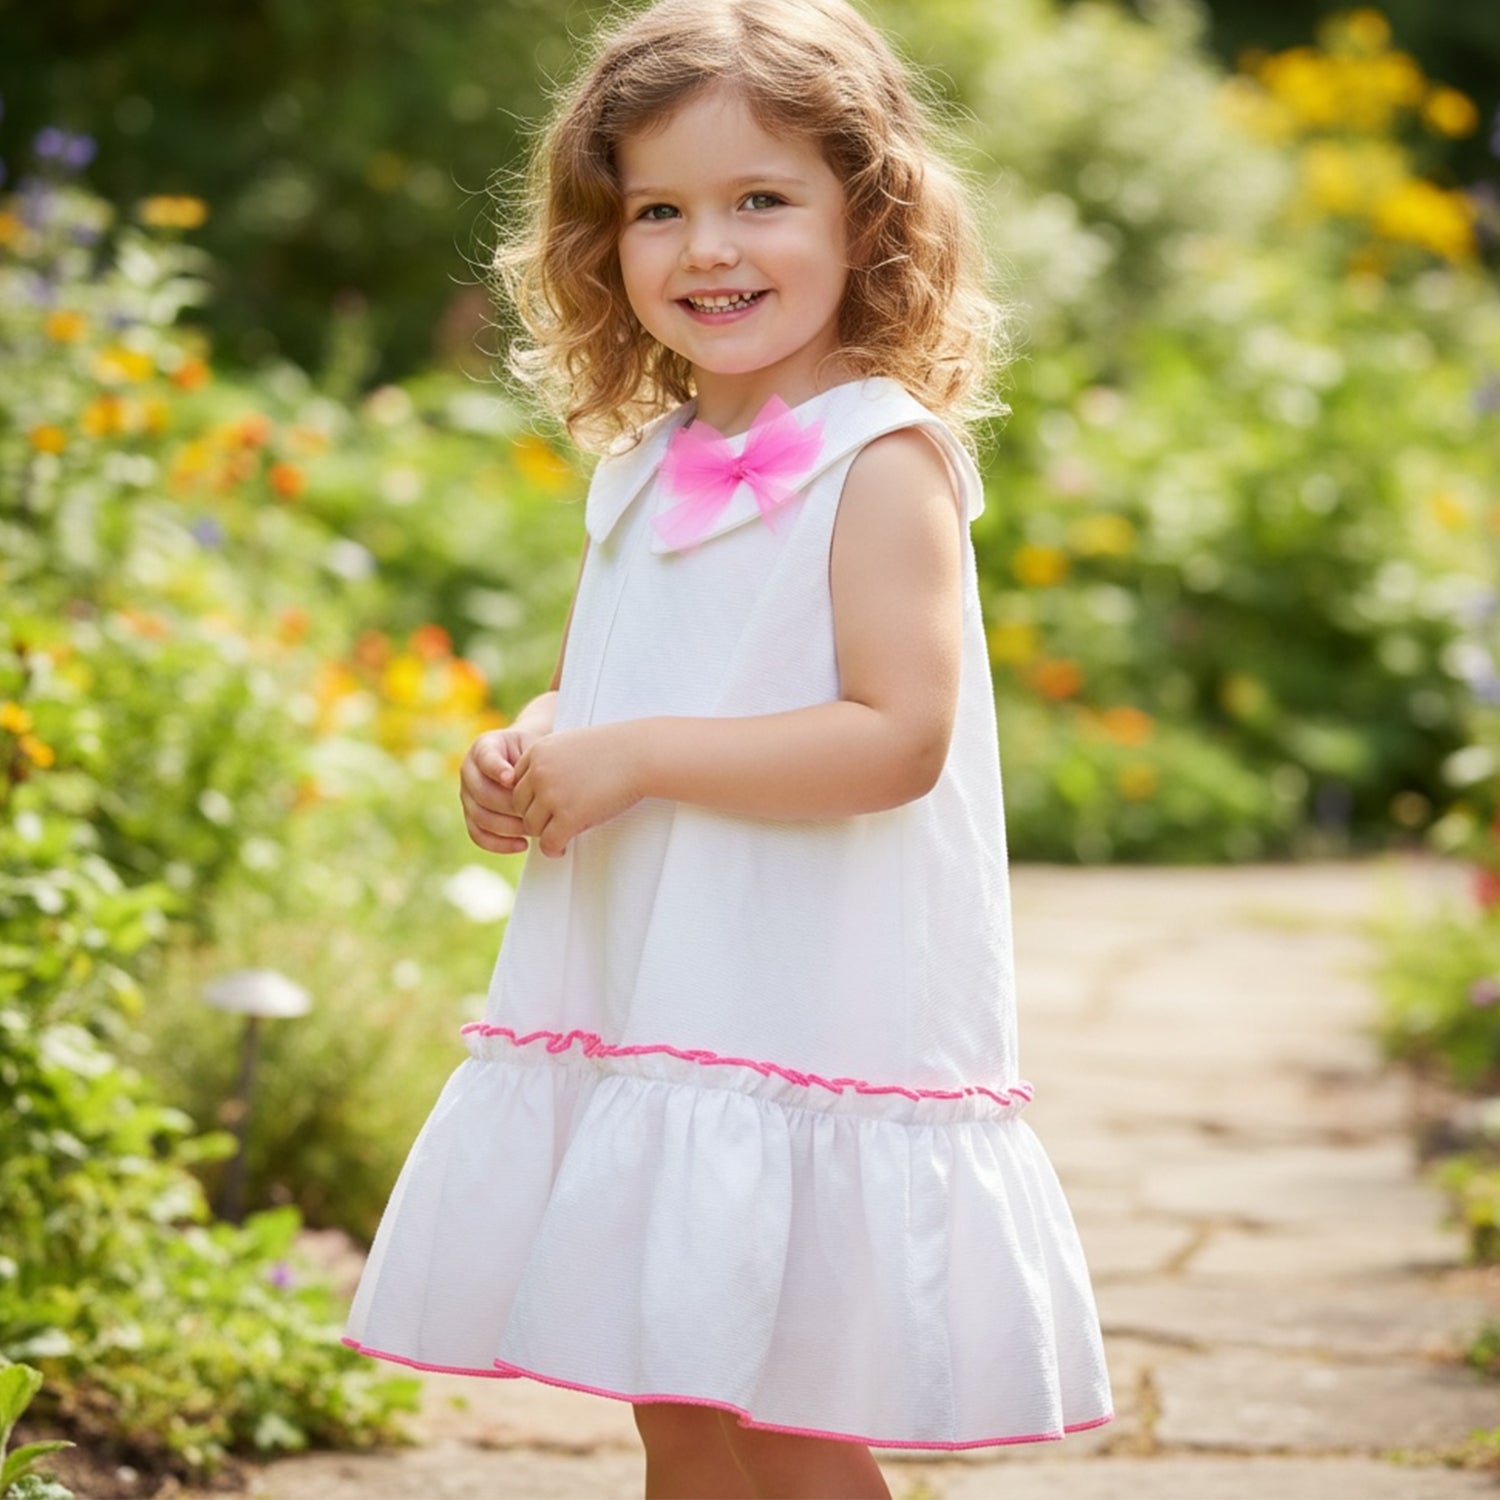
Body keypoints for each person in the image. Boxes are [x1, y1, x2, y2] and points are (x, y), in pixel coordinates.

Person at [343, 0, 1112, 1494]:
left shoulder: (878, 459)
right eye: (661, 211)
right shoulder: (637, 474)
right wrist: (529, 749)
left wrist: (637, 762)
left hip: (792, 1000)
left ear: (867, 218)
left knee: (785, 1414)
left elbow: (896, 740)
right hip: (657, 995)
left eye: (763, 200)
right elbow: (604, 692)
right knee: (671, 1398)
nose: (710, 248)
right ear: (602, 243)